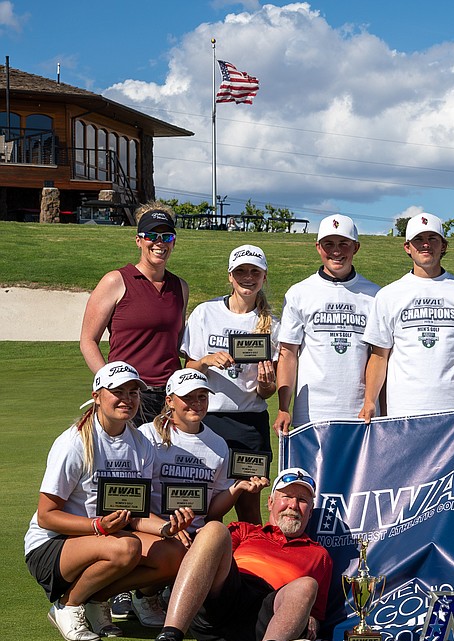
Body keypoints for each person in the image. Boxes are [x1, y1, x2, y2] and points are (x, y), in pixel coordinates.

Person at [25, 362, 192, 641]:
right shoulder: (75, 442)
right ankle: (68, 604)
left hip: (107, 540)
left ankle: (96, 599)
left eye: (133, 392)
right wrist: (98, 525)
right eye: (118, 391)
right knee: (127, 547)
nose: (127, 399)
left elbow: (135, 513)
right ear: (97, 396)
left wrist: (167, 529)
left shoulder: (140, 444)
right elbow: (46, 516)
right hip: (53, 546)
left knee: (175, 553)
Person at [137, 468, 331, 641]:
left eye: (302, 500)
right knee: (214, 530)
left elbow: (315, 614)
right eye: (286, 497)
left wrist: (311, 619)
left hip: (267, 617)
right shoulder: (245, 530)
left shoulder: (319, 554)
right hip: (225, 599)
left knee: (306, 585)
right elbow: (210, 558)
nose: (293, 506)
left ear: (311, 512)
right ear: (270, 503)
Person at [181, 244, 279, 522]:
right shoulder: (205, 312)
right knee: (205, 508)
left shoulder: (274, 324)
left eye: (254, 272)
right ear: (230, 276)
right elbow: (187, 369)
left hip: (250, 426)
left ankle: (248, 565)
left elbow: (267, 392)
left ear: (264, 276)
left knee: (248, 510)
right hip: (207, 422)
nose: (248, 277)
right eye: (241, 271)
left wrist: (266, 382)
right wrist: (206, 361)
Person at [360, 212, 454, 418]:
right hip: (404, 410)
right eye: (418, 239)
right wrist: (369, 401)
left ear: (444, 245)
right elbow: (379, 356)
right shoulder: (388, 295)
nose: (426, 245)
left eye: (432, 239)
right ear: (407, 247)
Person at [80, 204, 189, 426]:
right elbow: (88, 340)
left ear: (173, 242)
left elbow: (176, 343)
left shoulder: (180, 287)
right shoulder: (116, 281)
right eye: (151, 235)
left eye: (166, 237)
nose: (159, 243)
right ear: (138, 240)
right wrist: (110, 384)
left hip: (170, 396)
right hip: (129, 394)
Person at [274, 214, 379, 433]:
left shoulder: (375, 295)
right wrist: (284, 407)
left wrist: (374, 403)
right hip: (312, 413)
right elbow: (288, 353)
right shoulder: (299, 293)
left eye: (344, 244)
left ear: (356, 247)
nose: (336, 251)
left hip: (360, 413)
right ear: (318, 247)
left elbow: (379, 356)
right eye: (328, 244)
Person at [140, 369, 269, 538]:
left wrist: (238, 487)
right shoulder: (148, 435)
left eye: (202, 396)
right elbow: (138, 503)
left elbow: (211, 512)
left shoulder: (218, 444)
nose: (197, 403)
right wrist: (167, 528)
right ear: (170, 401)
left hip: (197, 535)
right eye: (188, 397)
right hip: (155, 532)